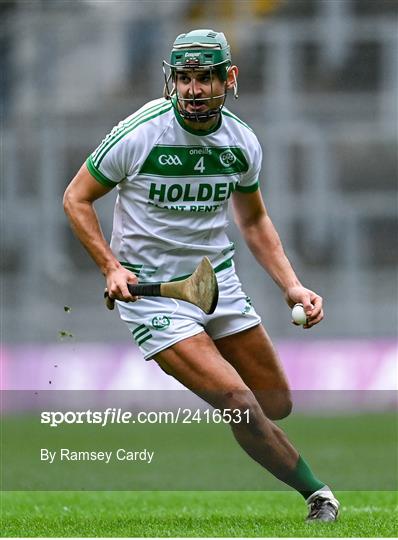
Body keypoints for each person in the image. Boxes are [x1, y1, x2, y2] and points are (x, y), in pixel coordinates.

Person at [63, 29, 339, 522]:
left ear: (228, 79)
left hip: (217, 282)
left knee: (275, 403)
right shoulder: (140, 133)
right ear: (172, 81)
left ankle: (271, 443)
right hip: (151, 293)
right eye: (184, 78)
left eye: (205, 78)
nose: (193, 89)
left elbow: (252, 219)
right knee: (238, 401)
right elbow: (76, 198)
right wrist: (111, 265)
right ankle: (318, 495)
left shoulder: (241, 142)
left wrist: (291, 284)